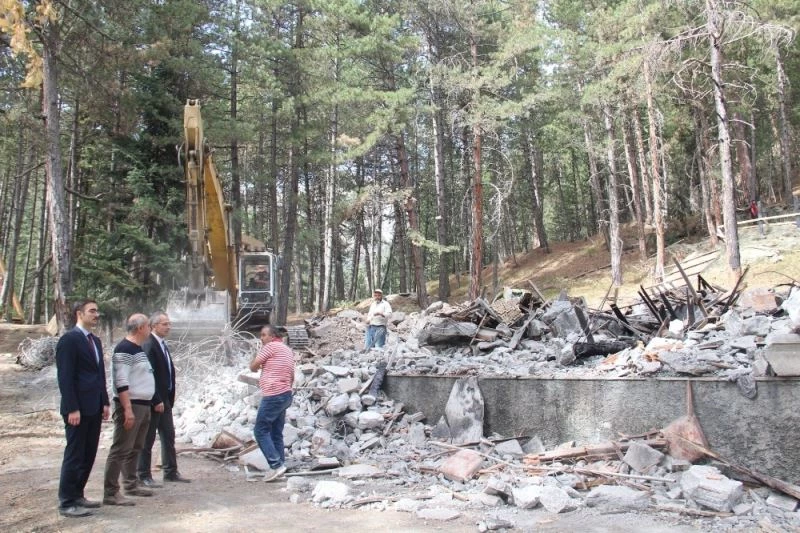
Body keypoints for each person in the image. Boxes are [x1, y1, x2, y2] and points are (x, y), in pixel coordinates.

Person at [56, 299, 110, 518]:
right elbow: (65, 377)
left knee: (88, 454)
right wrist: (71, 408)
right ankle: (67, 501)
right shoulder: (69, 340)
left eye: (97, 311)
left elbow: (100, 374)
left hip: (94, 406)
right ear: (79, 314)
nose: (96, 315)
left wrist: (104, 401)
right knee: (75, 454)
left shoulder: (94, 341)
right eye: (92, 311)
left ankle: (78, 494)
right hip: (77, 409)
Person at [103, 313, 161, 506]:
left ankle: (130, 483)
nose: (150, 330)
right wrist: (127, 409)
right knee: (121, 448)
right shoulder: (124, 349)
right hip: (132, 405)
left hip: (143, 405)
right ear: (140, 328)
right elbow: (121, 381)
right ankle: (111, 492)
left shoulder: (138, 349)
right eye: (148, 326)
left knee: (135, 447)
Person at [137, 311, 190, 486]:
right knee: (148, 438)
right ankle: (143, 474)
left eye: (169, 324)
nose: (168, 327)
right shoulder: (149, 344)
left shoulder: (161, 344)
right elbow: (148, 375)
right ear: (153, 326)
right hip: (154, 400)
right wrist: (156, 399)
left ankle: (171, 471)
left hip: (165, 399)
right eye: (164, 324)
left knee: (168, 435)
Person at [248, 325, 295, 482]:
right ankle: (280, 465)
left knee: (260, 431)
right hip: (285, 394)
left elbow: (253, 366)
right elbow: (292, 375)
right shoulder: (286, 349)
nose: (261, 338)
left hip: (273, 395)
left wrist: (256, 361)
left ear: (272, 336)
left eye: (264, 335)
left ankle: (275, 466)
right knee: (276, 432)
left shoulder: (270, 347)